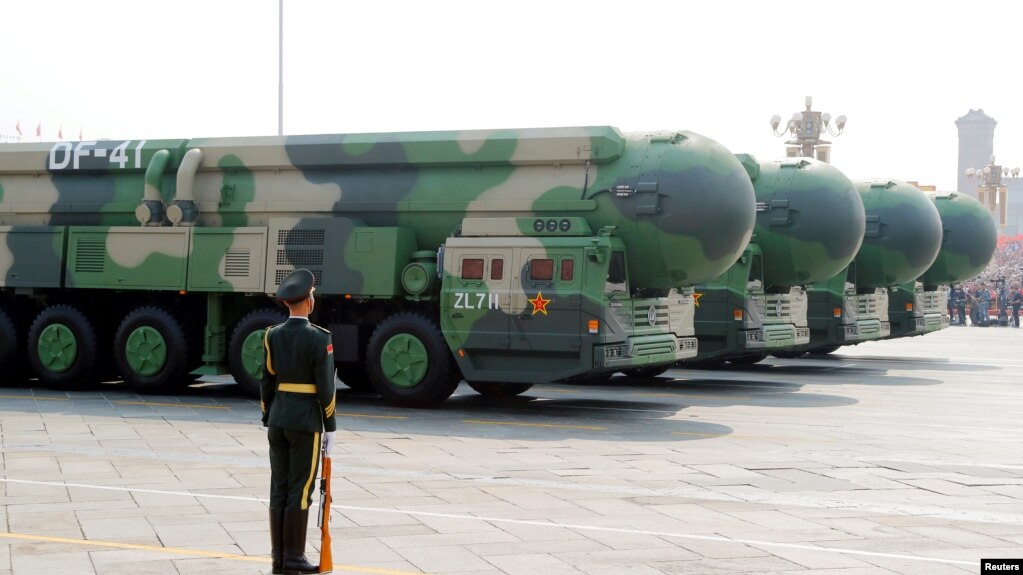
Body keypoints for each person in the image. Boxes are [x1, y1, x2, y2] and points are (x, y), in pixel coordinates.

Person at [260, 268, 336, 575]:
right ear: (309, 300)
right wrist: (329, 426)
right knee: (301, 489)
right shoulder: (320, 338)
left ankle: (279, 557)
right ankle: (294, 557)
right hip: (306, 422)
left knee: (278, 486)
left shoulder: (272, 335)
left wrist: (269, 414)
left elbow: (266, 380)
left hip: (278, 419)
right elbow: (326, 388)